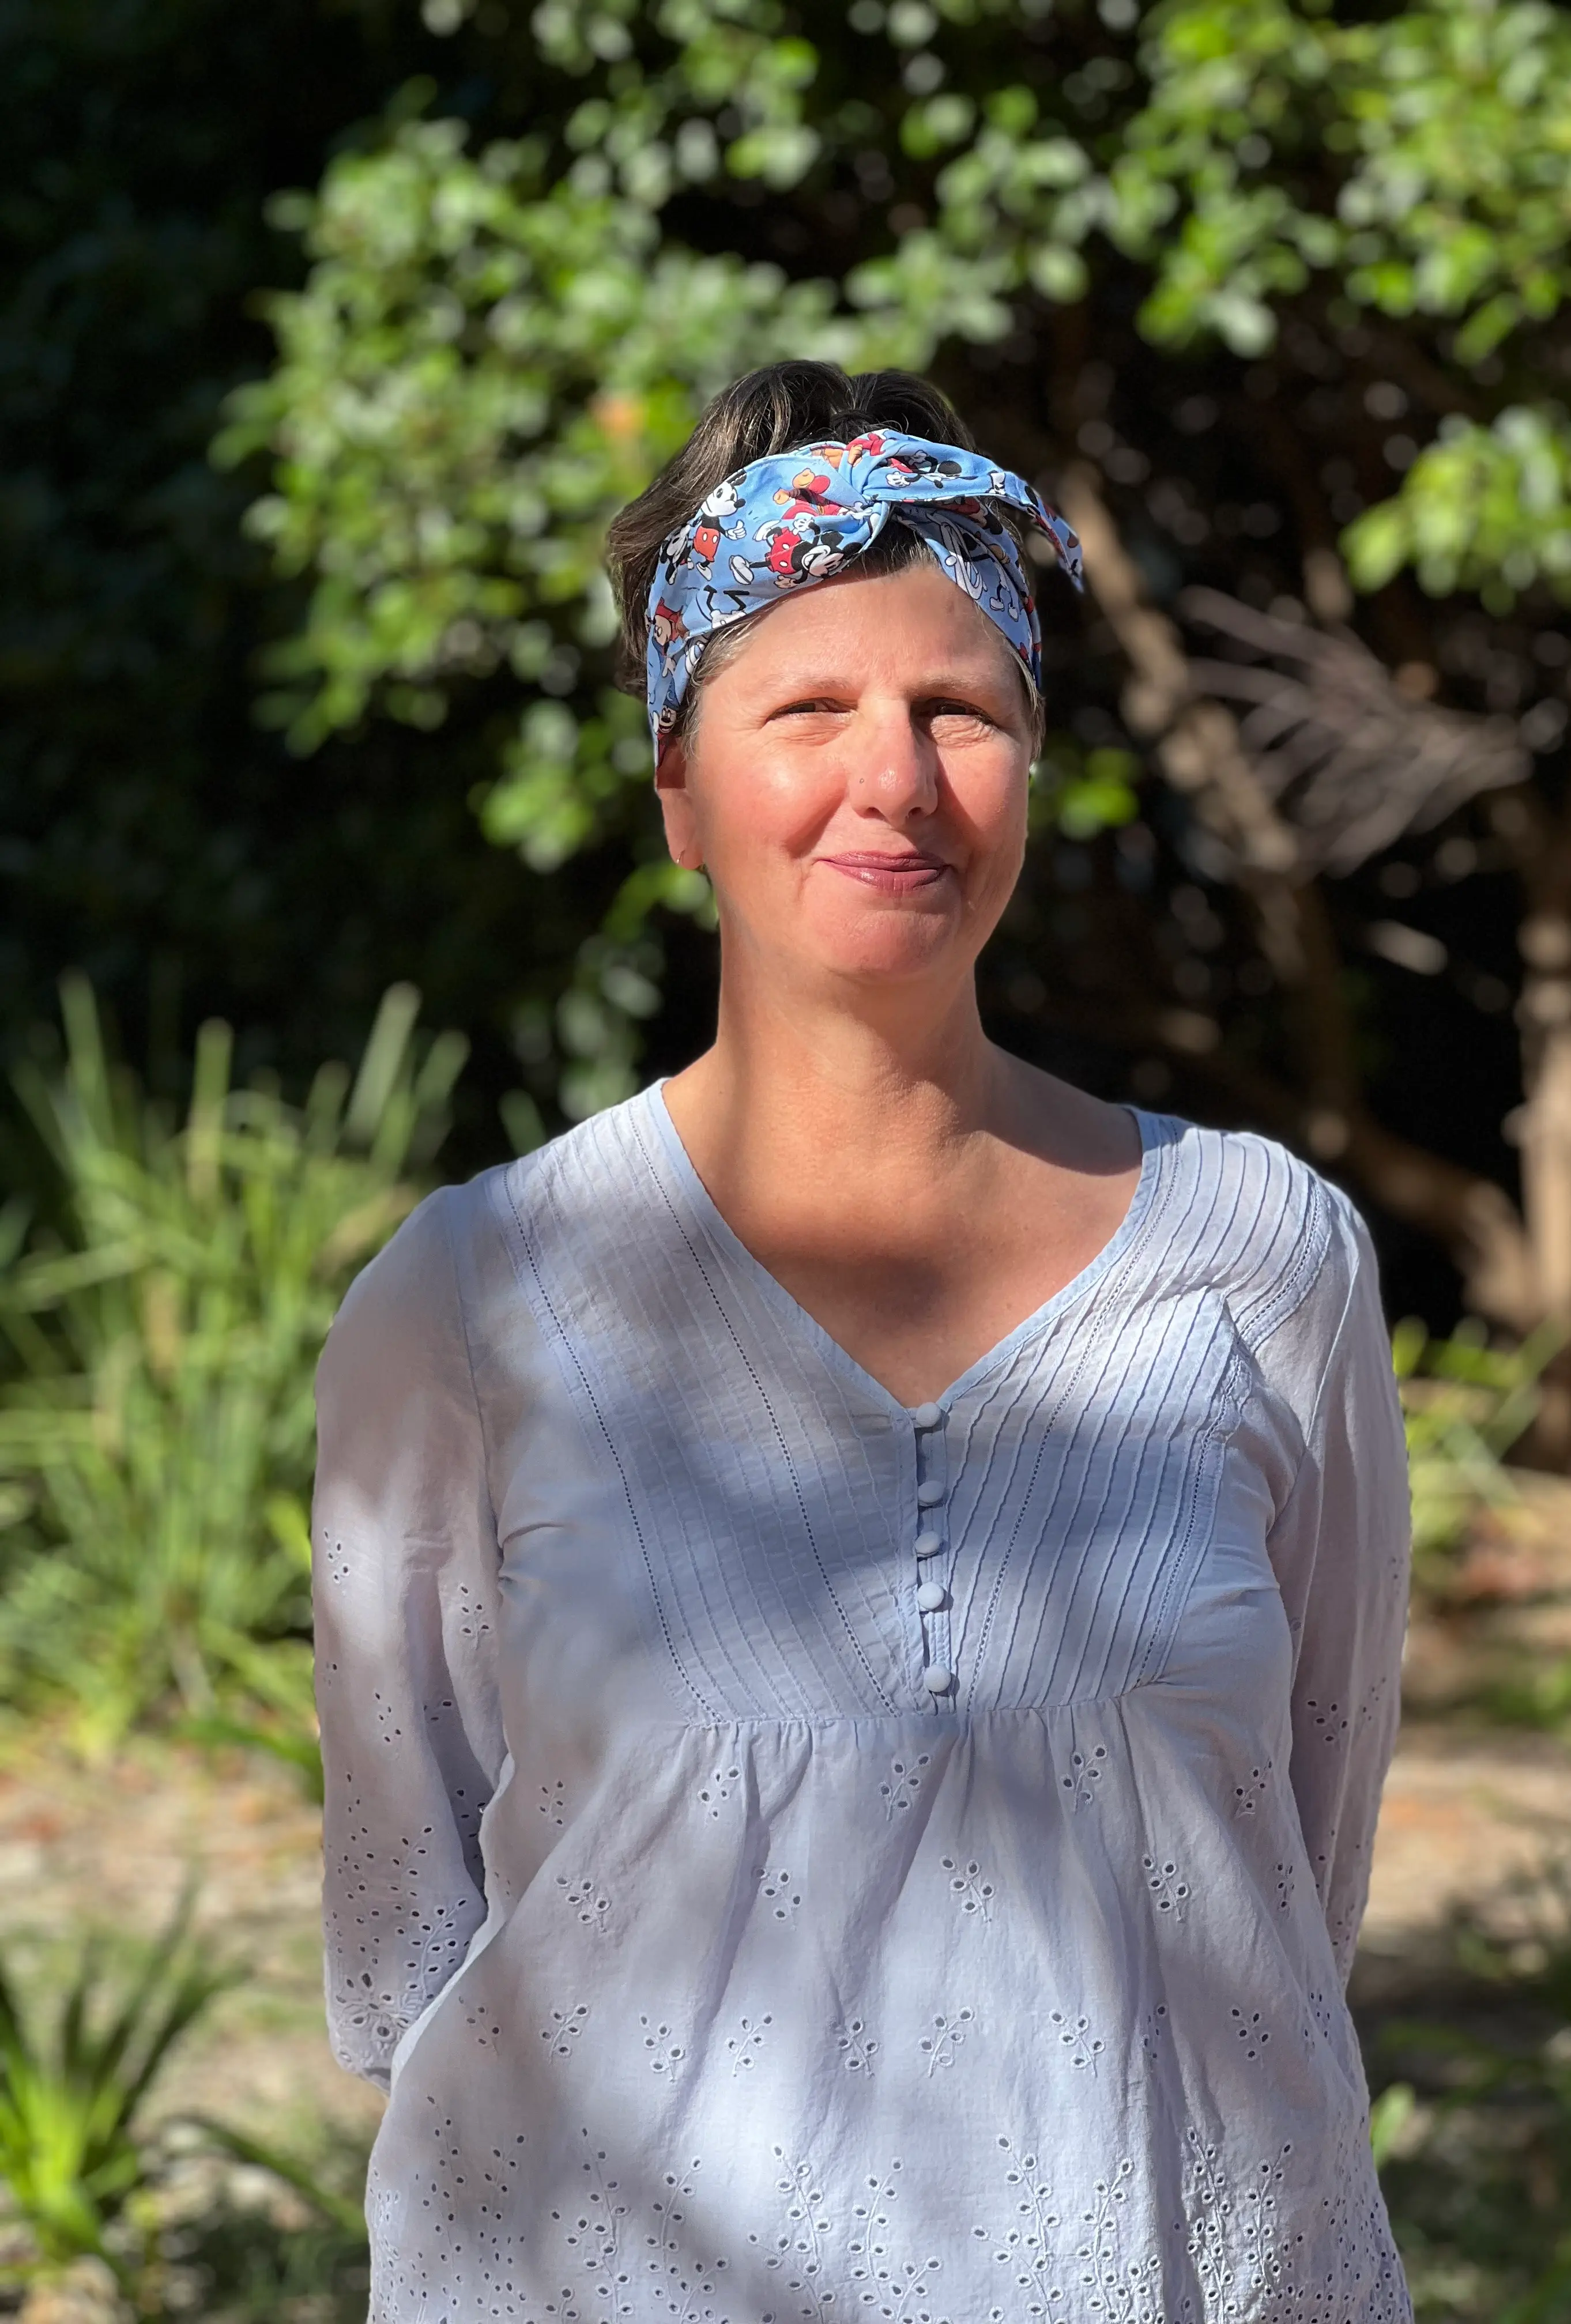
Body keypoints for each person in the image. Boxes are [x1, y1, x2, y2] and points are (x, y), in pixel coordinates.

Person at [312, 359, 1414, 2324]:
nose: (894, 780)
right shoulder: (474, 1304)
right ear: (679, 788)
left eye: (959, 711)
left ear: (1032, 766)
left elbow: (1296, 1872)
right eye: (807, 709)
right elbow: (411, 1936)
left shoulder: (1269, 1261)